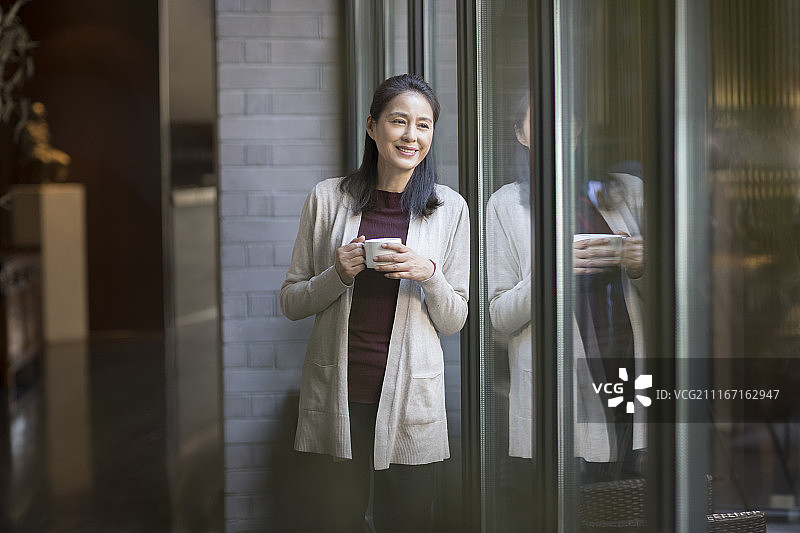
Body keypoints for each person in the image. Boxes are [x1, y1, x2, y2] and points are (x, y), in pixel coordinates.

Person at [280, 73, 470, 533]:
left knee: (407, 521)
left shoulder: (449, 208)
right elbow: (291, 301)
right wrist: (338, 274)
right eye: (399, 122)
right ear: (372, 127)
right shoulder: (328, 199)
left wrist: (430, 276)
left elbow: (455, 319)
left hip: (412, 401)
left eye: (423, 125)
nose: (411, 135)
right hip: (340, 394)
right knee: (336, 520)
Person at [486, 94, 645, 479]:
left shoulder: (625, 192)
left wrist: (641, 266)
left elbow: (683, 293)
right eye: (538, 121)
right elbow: (498, 317)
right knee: (581, 498)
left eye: (564, 119)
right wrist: (551, 275)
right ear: (520, 134)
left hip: (628, 368)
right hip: (560, 379)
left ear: (577, 129)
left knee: (636, 498)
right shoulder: (506, 206)